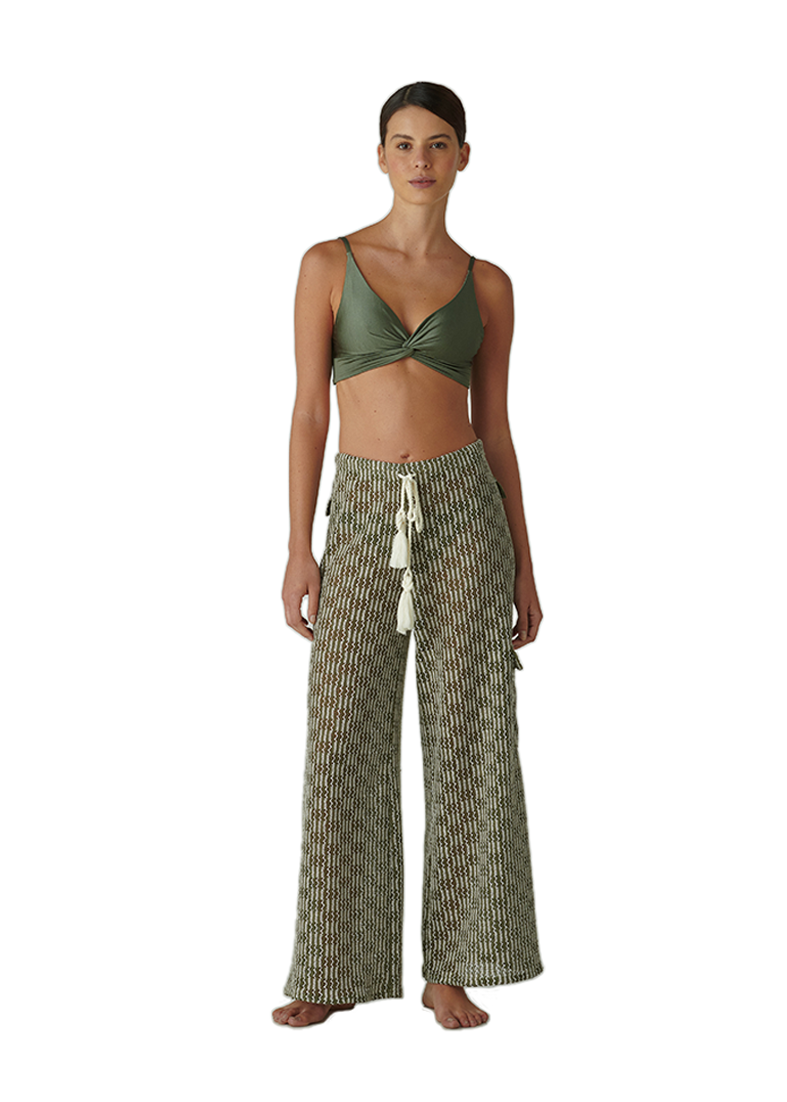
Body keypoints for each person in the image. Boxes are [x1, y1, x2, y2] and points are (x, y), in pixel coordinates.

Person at [272, 81, 545, 1031]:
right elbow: (308, 415)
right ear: (380, 155)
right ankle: (334, 964)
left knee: (472, 734)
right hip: (358, 511)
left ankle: (454, 967)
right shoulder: (327, 264)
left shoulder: (487, 284)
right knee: (342, 731)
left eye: (436, 143)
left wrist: (524, 561)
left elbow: (495, 426)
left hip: (464, 509)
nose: (420, 159)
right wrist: (298, 546)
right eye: (402, 142)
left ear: (463, 156)